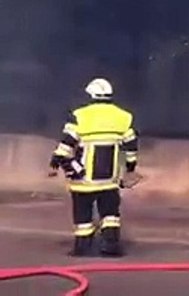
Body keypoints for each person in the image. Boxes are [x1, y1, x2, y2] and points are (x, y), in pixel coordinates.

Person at [47, 78, 140, 257]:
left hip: (84, 179)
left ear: (90, 95)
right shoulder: (123, 116)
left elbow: (67, 144)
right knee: (110, 213)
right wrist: (130, 168)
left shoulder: (80, 115)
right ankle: (111, 245)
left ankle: (83, 247)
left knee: (83, 213)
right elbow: (131, 146)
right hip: (109, 179)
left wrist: (55, 162)